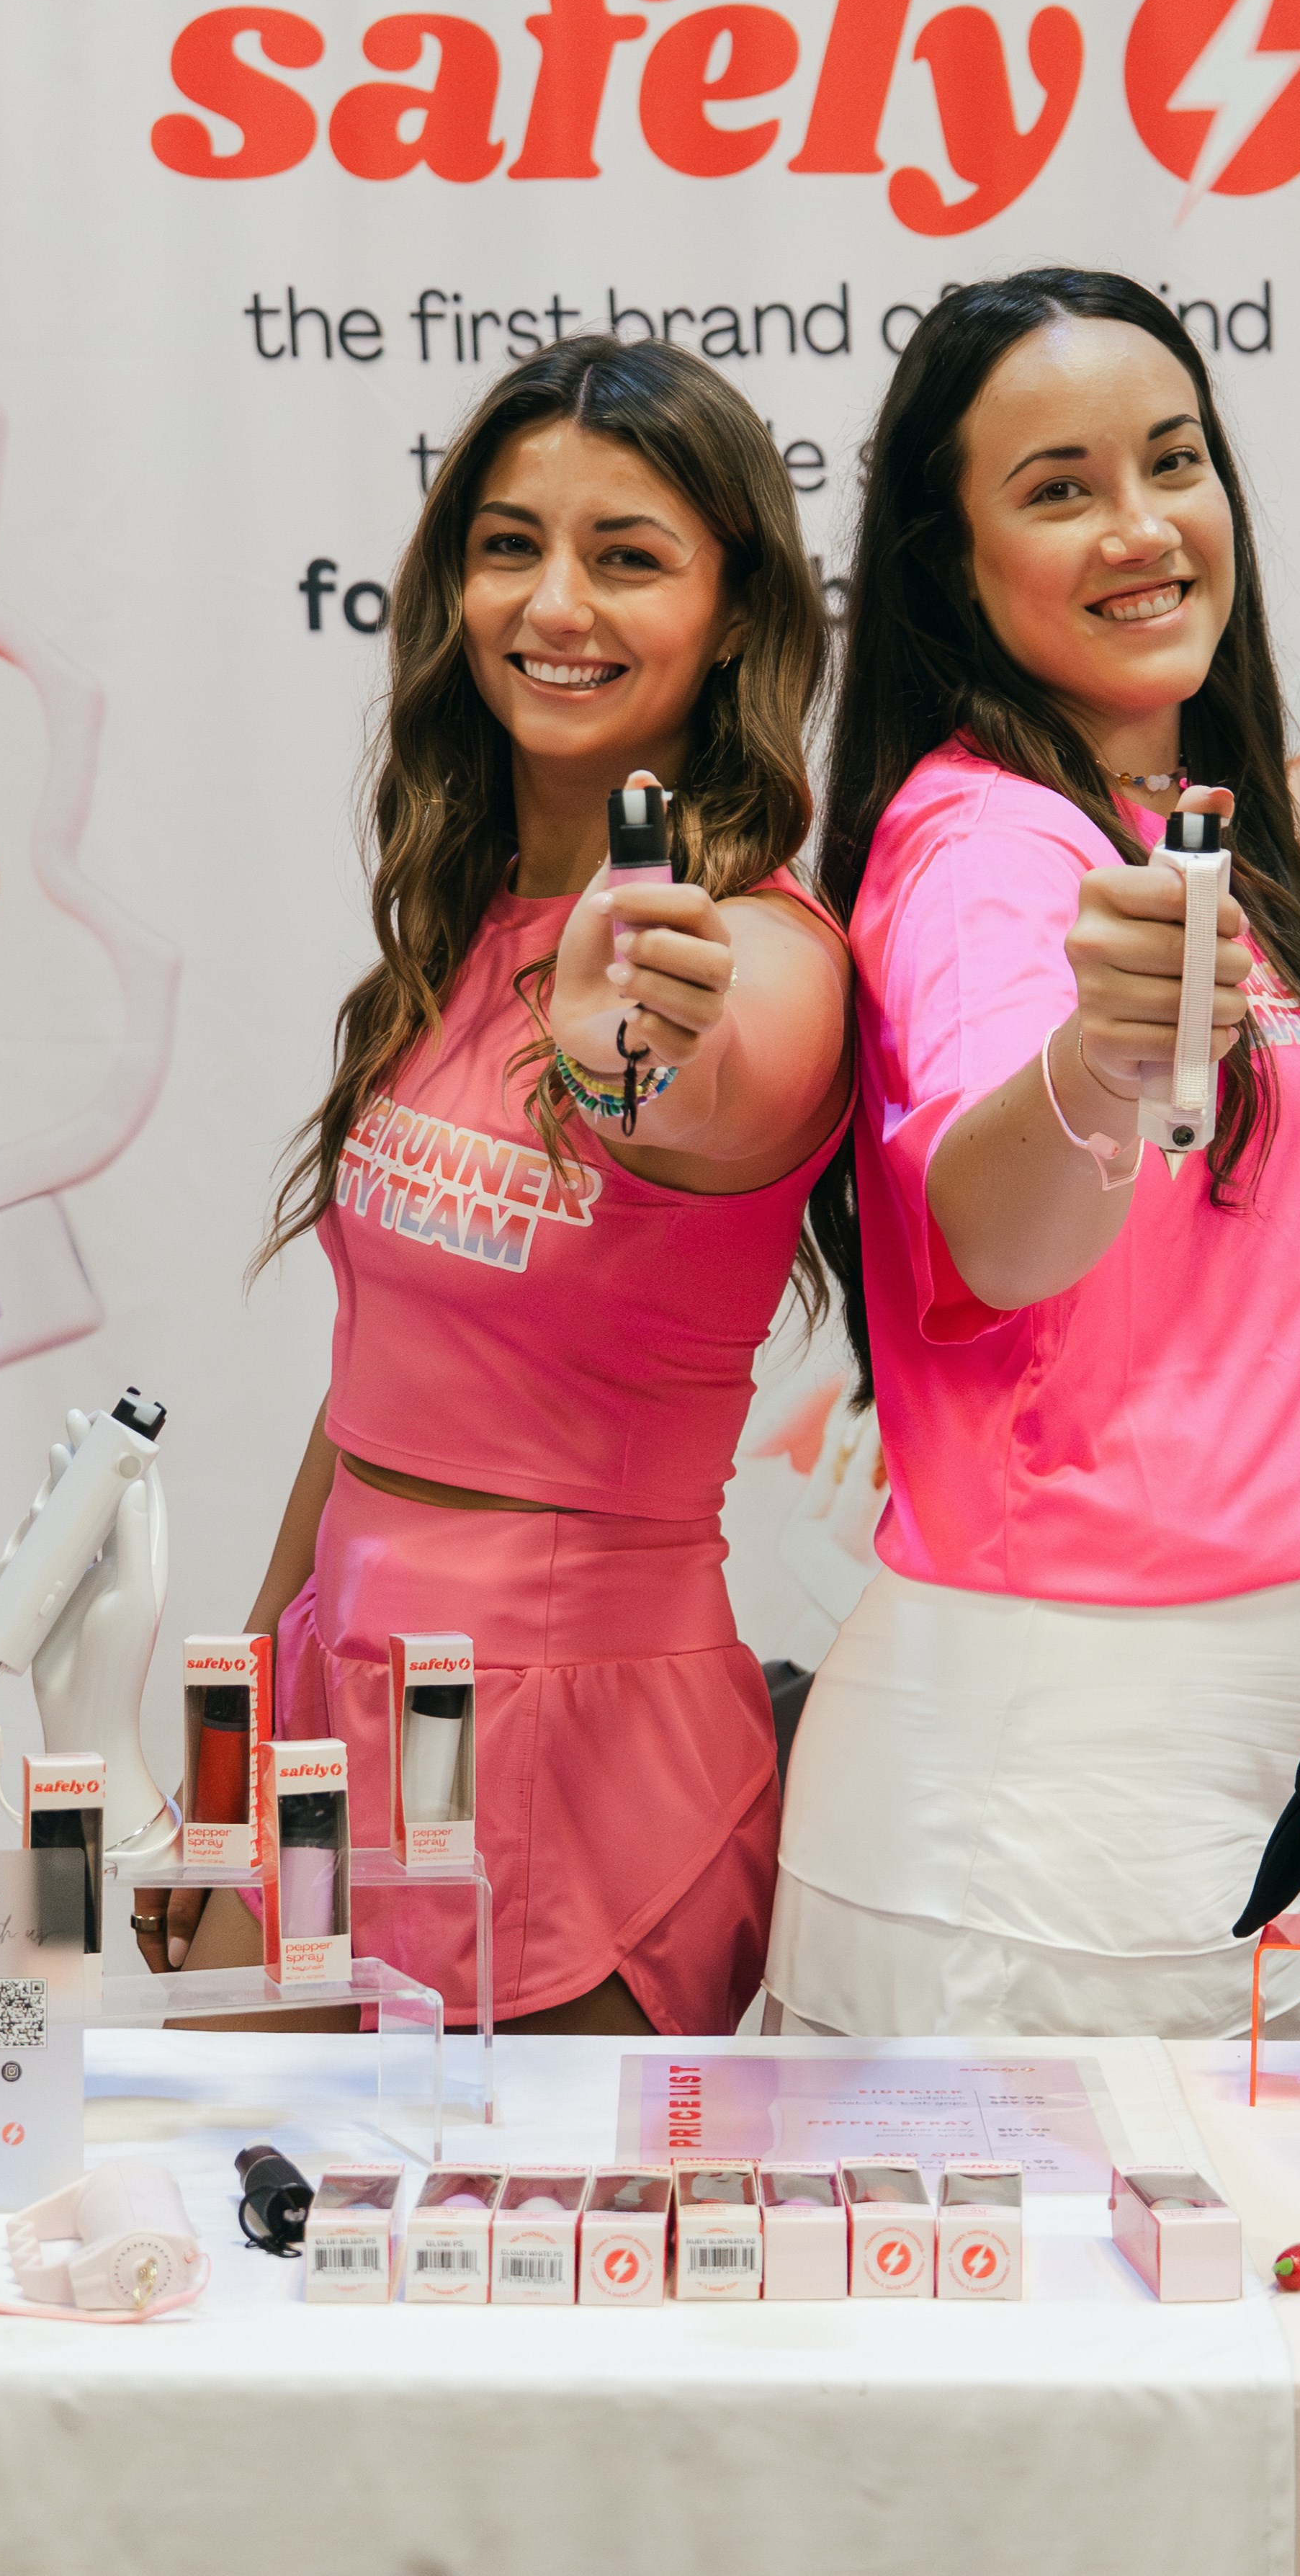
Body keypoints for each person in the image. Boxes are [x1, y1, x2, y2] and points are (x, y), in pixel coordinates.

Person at [763, 267, 1300, 2042]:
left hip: (1273, 1743)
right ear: (951, 559)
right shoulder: (990, 853)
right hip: (1059, 1824)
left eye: (1174, 461)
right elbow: (995, 1232)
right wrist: (1093, 1068)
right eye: (1058, 487)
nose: (1142, 527)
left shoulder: (1186, 827)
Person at [151, 338, 849, 2035]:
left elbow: (699, 1071)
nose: (556, 603)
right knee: (306, 2266)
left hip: (580, 1759)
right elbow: (375, 1396)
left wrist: (634, 1045)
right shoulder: (458, 927)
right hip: (345, 1706)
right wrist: (230, 1748)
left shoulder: (754, 948)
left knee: (531, 2272)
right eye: (510, 544)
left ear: (739, 612)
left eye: (629, 556)